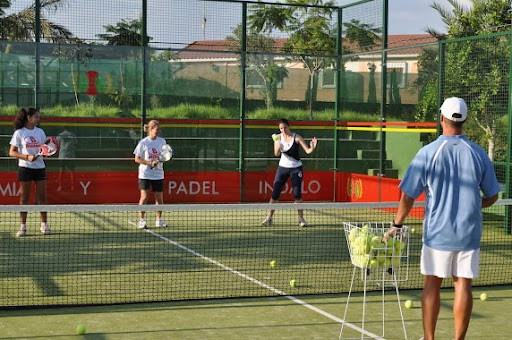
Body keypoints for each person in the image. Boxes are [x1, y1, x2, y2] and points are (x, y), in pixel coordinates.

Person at [386, 97, 500, 340]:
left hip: (437, 233)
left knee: (431, 285)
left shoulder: (428, 152)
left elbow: (408, 195)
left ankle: (430, 338)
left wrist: (397, 223)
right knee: (463, 285)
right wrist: (473, 205)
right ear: (465, 121)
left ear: (441, 119)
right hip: (468, 234)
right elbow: (492, 196)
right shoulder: (479, 154)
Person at [261, 118, 318, 227]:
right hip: (282, 168)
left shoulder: (297, 138)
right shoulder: (277, 137)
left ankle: (301, 219)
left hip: (296, 168)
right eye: (281, 128)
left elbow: (308, 151)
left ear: (289, 126)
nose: (283, 130)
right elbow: (276, 153)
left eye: (285, 128)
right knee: (275, 194)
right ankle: (269, 218)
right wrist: (278, 143)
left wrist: (313, 147)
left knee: (297, 194)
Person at [9, 107, 51, 236]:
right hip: (25, 168)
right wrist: (27, 157)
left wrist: (47, 152)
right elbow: (12, 152)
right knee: (25, 198)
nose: (39, 119)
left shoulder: (40, 132)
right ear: (29, 118)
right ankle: (23, 227)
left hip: (39, 168)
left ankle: (44, 225)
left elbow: (45, 148)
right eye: (37, 117)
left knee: (42, 198)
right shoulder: (19, 133)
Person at [133, 120, 168, 229]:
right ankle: (141, 220)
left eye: (159, 130)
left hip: (158, 174)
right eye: (156, 129)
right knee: (144, 197)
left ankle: (159, 220)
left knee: (159, 198)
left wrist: (160, 160)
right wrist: (149, 163)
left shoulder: (162, 141)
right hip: (145, 174)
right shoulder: (143, 143)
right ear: (150, 129)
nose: (158, 132)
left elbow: (165, 155)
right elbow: (137, 159)